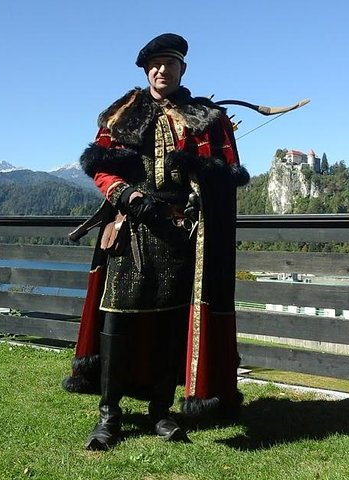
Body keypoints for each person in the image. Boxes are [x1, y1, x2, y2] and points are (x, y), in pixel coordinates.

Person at [63, 33, 249, 451]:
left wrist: (204, 187)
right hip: (131, 228)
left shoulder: (206, 117)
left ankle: (161, 412)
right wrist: (126, 195)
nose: (161, 70)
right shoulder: (124, 113)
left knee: (170, 322)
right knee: (118, 319)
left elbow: (226, 172)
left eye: (170, 63)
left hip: (183, 233)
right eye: (155, 64)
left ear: (183, 69)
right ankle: (109, 416)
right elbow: (101, 168)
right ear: (147, 71)